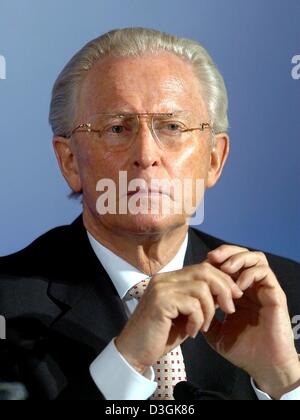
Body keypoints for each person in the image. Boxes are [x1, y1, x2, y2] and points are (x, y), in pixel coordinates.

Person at [0, 28, 299, 401]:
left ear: (213, 159)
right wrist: (125, 362)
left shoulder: (289, 295)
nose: (146, 154)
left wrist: (284, 383)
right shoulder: (5, 307)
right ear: (70, 161)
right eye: (116, 128)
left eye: (172, 127)